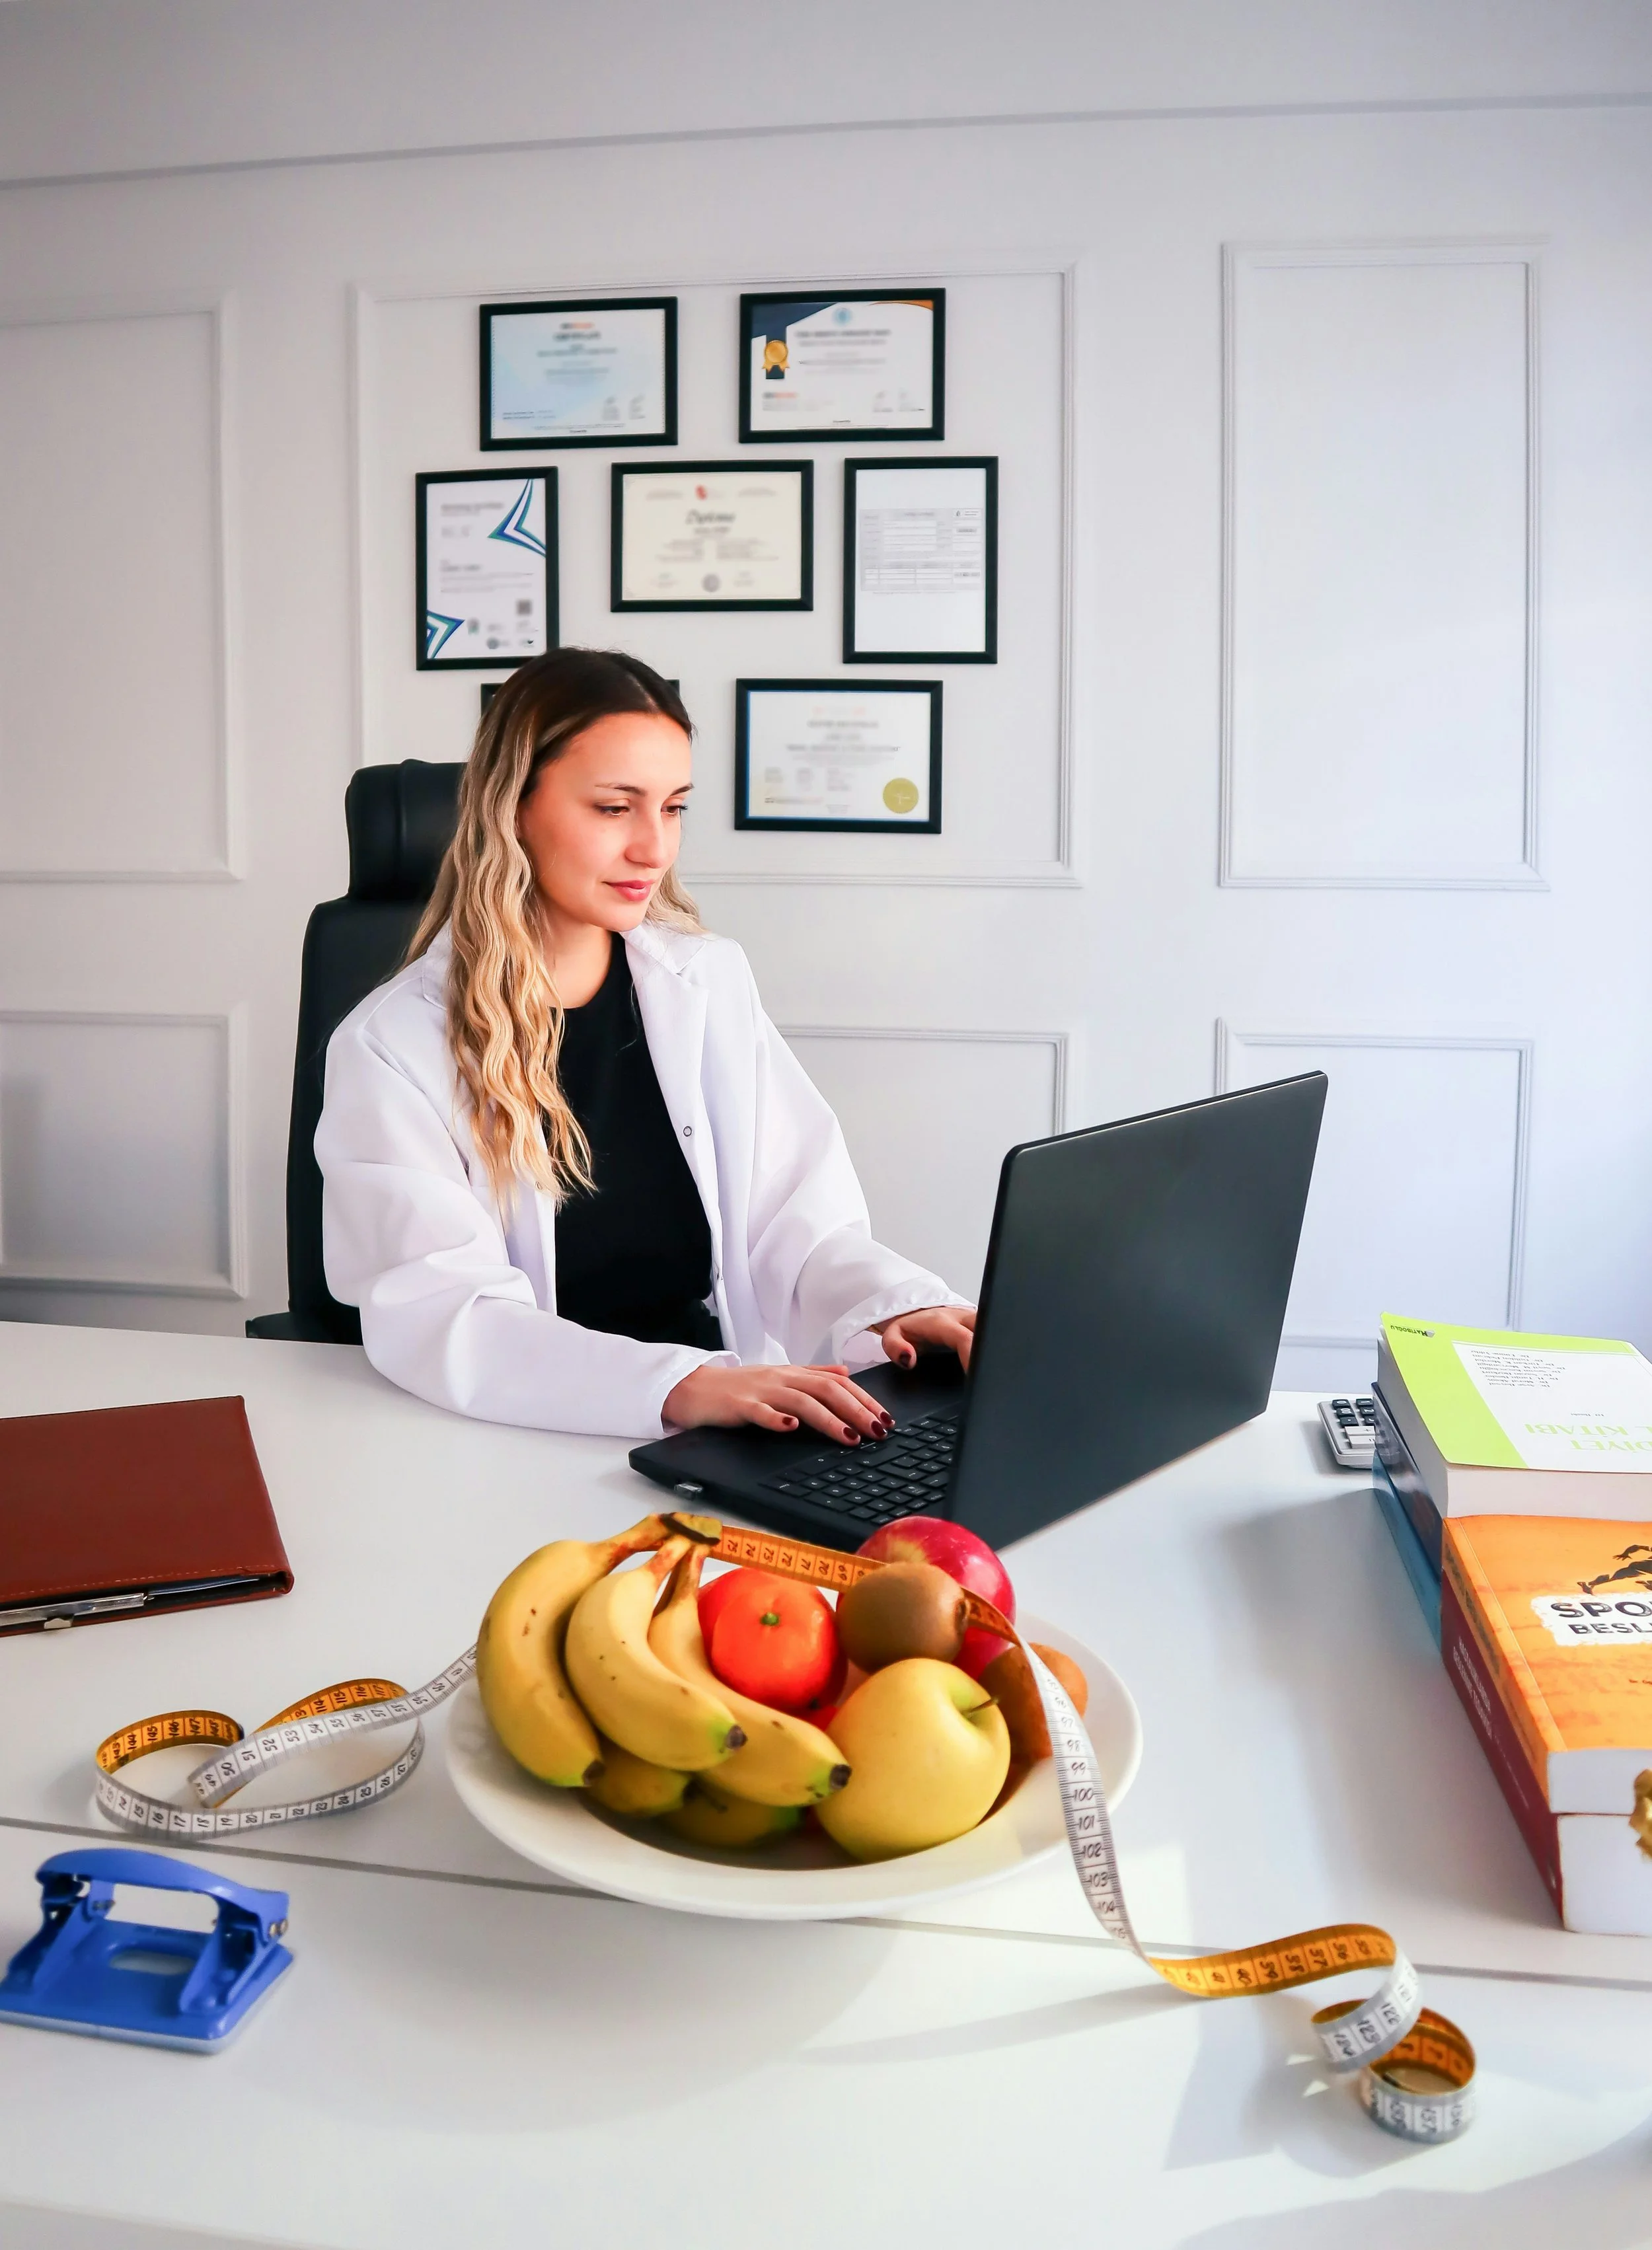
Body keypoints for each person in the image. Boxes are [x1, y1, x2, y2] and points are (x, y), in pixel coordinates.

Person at [316, 648, 975, 1441]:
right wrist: (682, 1385)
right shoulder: (392, 1046)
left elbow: (797, 1223)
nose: (654, 849)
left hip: (730, 1412)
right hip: (532, 1428)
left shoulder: (708, 981)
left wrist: (902, 1303)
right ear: (511, 808)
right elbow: (448, 1315)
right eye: (613, 807)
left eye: (673, 808)